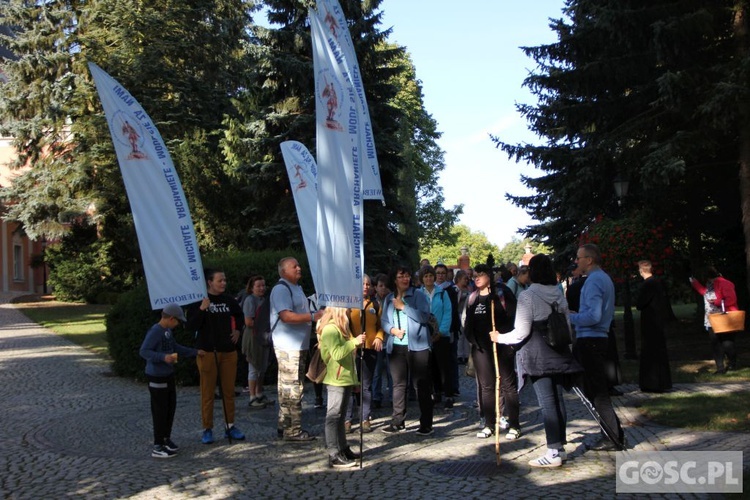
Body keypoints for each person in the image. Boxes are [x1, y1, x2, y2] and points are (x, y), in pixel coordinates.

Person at [491, 254, 583, 467]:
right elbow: (567, 323)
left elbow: (521, 332)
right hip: (559, 351)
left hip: (538, 353)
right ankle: (560, 447)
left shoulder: (528, 296)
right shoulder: (557, 292)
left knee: (547, 402)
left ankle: (553, 451)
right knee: (558, 400)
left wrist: (500, 338)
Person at [568, 244, 625, 451]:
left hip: (591, 339)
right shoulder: (603, 278)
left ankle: (612, 436)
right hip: (598, 337)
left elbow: (593, 316)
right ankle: (614, 432)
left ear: (589, 260)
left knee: (597, 392)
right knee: (595, 390)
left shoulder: (593, 281)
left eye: (579, 257)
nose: (577, 261)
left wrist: (570, 317)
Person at [186, 269, 246, 444]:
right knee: (208, 392)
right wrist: (202, 309)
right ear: (209, 282)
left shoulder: (228, 300)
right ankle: (207, 428)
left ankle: (230, 426)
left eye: (224, 280)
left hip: (228, 351)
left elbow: (239, 315)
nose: (223, 283)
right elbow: (191, 325)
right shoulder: (199, 301)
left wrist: (237, 330)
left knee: (228, 391)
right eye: (220, 280)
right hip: (207, 351)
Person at [463, 264, 521, 441]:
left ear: (489, 275)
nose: (476, 278)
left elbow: (514, 317)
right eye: (474, 276)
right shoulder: (473, 297)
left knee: (508, 385)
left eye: (480, 275)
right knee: (486, 387)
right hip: (481, 349)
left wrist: (508, 342)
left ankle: (514, 425)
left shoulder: (501, 294)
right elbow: (467, 323)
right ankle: (489, 423)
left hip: (502, 346)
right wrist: (473, 341)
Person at [140, 303, 205, 458]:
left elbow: (175, 347)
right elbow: (144, 351)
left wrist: (194, 352)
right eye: (177, 321)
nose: (178, 324)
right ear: (170, 318)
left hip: (168, 374)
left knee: (170, 408)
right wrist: (163, 357)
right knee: (160, 410)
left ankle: (165, 438)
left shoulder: (167, 331)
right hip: (156, 375)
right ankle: (158, 445)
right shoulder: (156, 331)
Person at [271, 257, 324, 441]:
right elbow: (286, 316)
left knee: (289, 387)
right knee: (292, 388)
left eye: (298, 264)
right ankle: (293, 431)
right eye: (295, 266)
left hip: (297, 346)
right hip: (288, 346)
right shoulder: (281, 289)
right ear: (284, 270)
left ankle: (284, 425)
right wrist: (313, 316)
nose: (299, 268)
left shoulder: (296, 288)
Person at [380, 264, 434, 435]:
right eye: (401, 276)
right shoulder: (389, 298)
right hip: (397, 346)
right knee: (398, 385)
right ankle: (397, 421)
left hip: (418, 346)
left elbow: (424, 317)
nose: (405, 279)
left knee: (421, 385)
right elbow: (383, 320)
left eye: (408, 276)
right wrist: (392, 330)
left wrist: (404, 307)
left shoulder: (417, 295)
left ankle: (426, 423)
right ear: (394, 280)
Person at [318, 307, 367, 468]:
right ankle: (333, 453)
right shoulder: (331, 329)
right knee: (333, 416)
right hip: (336, 379)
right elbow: (337, 354)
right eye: (346, 311)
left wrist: (355, 381)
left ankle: (343, 448)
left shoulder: (341, 328)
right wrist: (354, 342)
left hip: (345, 378)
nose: (348, 313)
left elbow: (349, 357)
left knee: (340, 416)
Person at [344, 274, 384, 433]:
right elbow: (343, 326)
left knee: (366, 385)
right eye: (362, 284)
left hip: (370, 349)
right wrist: (352, 341)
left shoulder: (375, 304)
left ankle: (365, 417)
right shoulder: (348, 305)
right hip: (352, 349)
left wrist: (380, 337)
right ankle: (347, 418)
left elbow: (381, 325)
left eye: (368, 284)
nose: (366, 287)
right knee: (350, 384)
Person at [690, 267, 740, 374]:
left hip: (725, 317)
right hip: (711, 318)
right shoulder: (710, 284)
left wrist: (717, 302)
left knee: (727, 343)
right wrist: (695, 283)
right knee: (715, 343)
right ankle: (720, 368)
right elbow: (705, 293)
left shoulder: (724, 283)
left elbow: (731, 299)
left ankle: (732, 363)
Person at [419, 265, 455, 408]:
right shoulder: (419, 293)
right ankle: (436, 392)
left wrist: (441, 331)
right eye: (426, 276)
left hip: (442, 335)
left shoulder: (442, 293)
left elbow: (448, 312)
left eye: (430, 276)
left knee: (444, 366)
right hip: (425, 336)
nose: (429, 278)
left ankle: (448, 394)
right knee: (430, 366)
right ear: (422, 278)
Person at [636, 260, 672, 392]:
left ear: (641, 271)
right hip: (657, 320)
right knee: (659, 350)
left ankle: (652, 383)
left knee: (650, 351)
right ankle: (662, 382)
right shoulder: (658, 282)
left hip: (649, 320)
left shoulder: (648, 284)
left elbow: (640, 303)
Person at [241, 275, 274, 408]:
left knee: (263, 366)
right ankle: (252, 396)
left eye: (263, 285)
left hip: (263, 335)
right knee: (254, 366)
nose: (261, 288)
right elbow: (248, 321)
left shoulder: (264, 300)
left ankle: (259, 393)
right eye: (258, 286)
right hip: (253, 336)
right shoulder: (250, 300)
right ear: (252, 287)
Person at [371, 273, 393, 409]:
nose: (383, 289)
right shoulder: (372, 301)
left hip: (390, 339)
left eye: (385, 286)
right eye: (380, 286)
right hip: (377, 340)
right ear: (376, 287)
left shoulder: (392, 300)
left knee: (391, 371)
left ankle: (392, 397)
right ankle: (376, 396)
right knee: (377, 371)